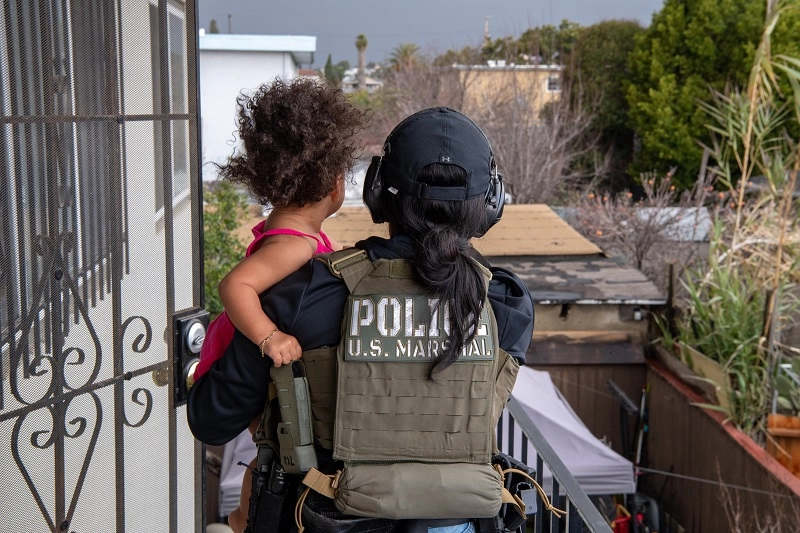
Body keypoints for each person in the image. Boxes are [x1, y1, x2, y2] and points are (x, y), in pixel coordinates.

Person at [187, 107, 535, 533]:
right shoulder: (507, 305)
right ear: (490, 204)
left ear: (376, 192)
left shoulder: (302, 291)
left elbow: (210, 420)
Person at [194, 77, 369, 532]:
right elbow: (235, 286)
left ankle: (241, 518)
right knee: (268, 450)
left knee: (267, 450)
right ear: (333, 184)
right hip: (244, 350)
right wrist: (270, 336)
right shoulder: (296, 247)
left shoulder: (288, 228)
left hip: (239, 347)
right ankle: (239, 519)